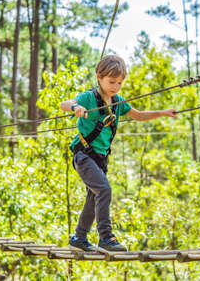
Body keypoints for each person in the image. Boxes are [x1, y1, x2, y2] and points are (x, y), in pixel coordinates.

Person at [60, 55, 176, 252]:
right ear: (99, 77)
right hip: (84, 155)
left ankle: (79, 237)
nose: (115, 86)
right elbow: (65, 104)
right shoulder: (89, 98)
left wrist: (163, 112)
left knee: (93, 196)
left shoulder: (118, 102)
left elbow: (138, 115)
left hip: (99, 159)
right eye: (111, 82)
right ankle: (106, 237)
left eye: (120, 82)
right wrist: (76, 108)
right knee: (104, 190)